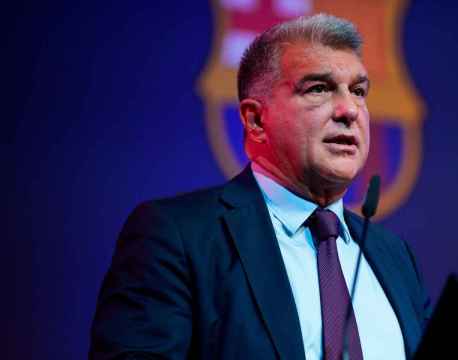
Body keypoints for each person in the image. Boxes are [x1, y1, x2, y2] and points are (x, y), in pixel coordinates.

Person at [90, 14, 430, 360]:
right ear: (255, 120)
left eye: (358, 91)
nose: (349, 110)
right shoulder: (178, 236)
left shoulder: (394, 256)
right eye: (318, 88)